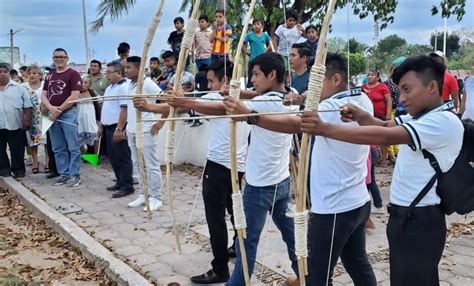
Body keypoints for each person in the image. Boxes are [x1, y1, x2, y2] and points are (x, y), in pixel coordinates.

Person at [301, 55, 462, 286]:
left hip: (420, 220)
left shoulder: (442, 122)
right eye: (400, 91)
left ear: (433, 86)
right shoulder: (425, 117)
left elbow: (386, 136)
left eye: (407, 90)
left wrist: (325, 128)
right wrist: (364, 117)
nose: (402, 98)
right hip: (406, 217)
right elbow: (387, 125)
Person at [224, 53, 377, 286]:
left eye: (317, 82)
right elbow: (309, 106)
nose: (311, 88)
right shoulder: (362, 99)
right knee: (358, 263)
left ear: (335, 79)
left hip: (333, 209)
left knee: (316, 276)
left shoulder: (330, 106)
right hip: (358, 202)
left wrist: (250, 116)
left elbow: (295, 124)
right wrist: (298, 100)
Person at [222, 52, 300, 285]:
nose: (252, 80)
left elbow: (220, 109)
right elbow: (255, 95)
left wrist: (184, 103)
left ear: (272, 74)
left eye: (256, 75)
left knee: (246, 243)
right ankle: (307, 276)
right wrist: (235, 94)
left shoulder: (260, 104)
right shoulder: (292, 96)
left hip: (259, 188)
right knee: (292, 237)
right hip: (282, 183)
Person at [125, 56, 164, 210]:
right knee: (137, 164)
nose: (126, 70)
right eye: (126, 67)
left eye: (129, 67)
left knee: (151, 165)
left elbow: (168, 102)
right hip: (132, 129)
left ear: (139, 69)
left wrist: (160, 123)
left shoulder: (148, 84)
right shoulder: (131, 84)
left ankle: (156, 197)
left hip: (146, 129)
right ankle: (143, 194)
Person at [41, 48, 82, 187]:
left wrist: (58, 110)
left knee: (73, 146)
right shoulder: (50, 75)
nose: (59, 59)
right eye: (56, 57)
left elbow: (74, 95)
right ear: (53, 59)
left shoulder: (73, 74)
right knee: (58, 147)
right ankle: (63, 174)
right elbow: (44, 95)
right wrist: (51, 108)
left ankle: (74, 175)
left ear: (67, 58)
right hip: (52, 114)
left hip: (68, 113)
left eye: (62, 57)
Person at [98, 62, 134, 198]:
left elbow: (124, 110)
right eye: (106, 72)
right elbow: (105, 108)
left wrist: (119, 128)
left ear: (119, 73)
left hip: (117, 127)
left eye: (109, 72)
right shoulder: (110, 88)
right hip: (108, 127)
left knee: (122, 157)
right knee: (113, 157)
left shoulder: (123, 87)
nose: (107, 75)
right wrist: (101, 125)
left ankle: (127, 185)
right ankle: (119, 181)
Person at [0, 62, 32, 178]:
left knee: (17, 149)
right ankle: (4, 170)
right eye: (0, 72)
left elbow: (28, 106)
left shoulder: (19, 88)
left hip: (16, 124)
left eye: (5, 72)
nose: (2, 74)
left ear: (9, 73)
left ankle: (18, 170)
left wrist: (27, 120)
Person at [361, 70, 391, 167]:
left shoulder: (382, 87)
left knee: (382, 137)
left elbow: (389, 100)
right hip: (368, 116)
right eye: (368, 75)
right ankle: (371, 158)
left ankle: (384, 159)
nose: (369, 76)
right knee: (369, 137)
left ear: (377, 78)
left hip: (381, 115)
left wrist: (388, 114)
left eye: (372, 75)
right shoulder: (363, 87)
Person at [22, 64, 48, 174]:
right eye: (29, 73)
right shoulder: (23, 86)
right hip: (31, 116)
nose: (32, 75)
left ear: (40, 75)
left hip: (45, 115)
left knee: (47, 140)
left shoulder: (45, 85)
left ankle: (47, 162)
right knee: (33, 141)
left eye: (34, 73)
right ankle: (35, 162)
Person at [243, 18, 272, 87]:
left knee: (262, 74)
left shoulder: (265, 35)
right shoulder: (250, 35)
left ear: (262, 26)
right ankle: (250, 88)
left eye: (258, 24)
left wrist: (266, 50)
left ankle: (261, 87)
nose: (256, 26)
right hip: (252, 59)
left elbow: (270, 43)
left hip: (262, 60)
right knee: (251, 75)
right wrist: (246, 51)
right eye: (254, 24)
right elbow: (243, 43)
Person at [77, 78, 99, 150]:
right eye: (81, 82)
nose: (83, 84)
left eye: (86, 83)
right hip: (79, 119)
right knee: (80, 139)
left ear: (89, 85)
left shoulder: (93, 93)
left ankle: (95, 158)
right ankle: (84, 157)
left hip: (91, 119)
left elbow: (100, 102)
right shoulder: (76, 94)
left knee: (95, 137)